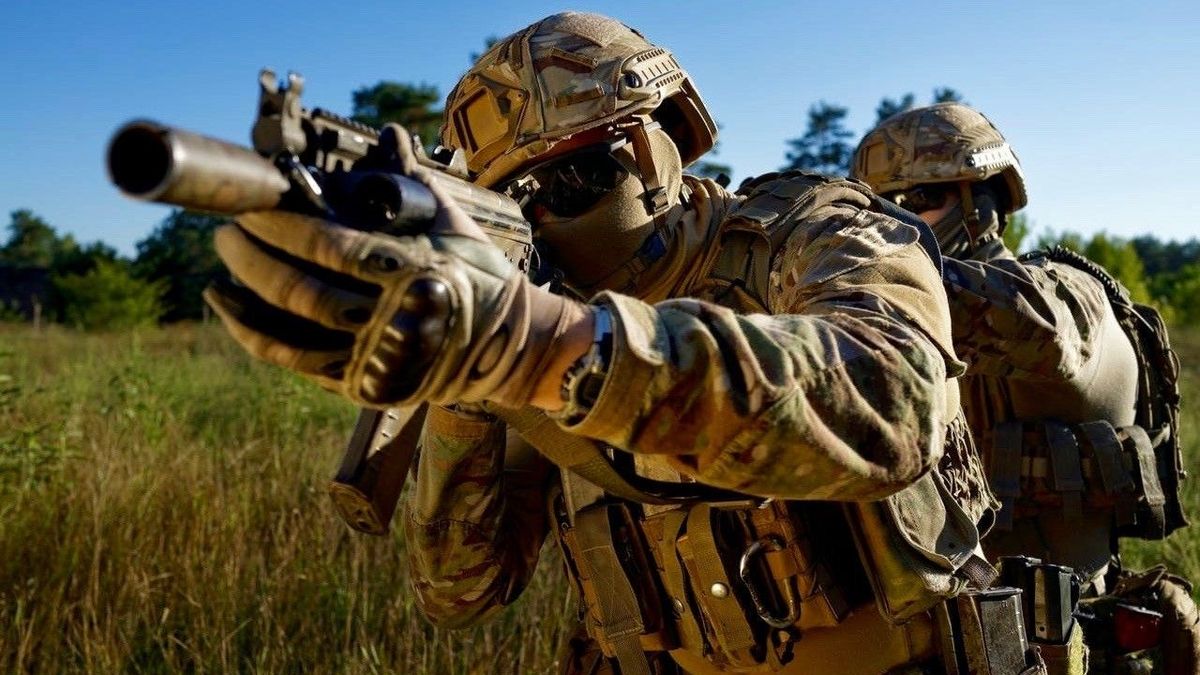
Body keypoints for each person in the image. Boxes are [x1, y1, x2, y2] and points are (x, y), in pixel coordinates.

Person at [205, 13, 1038, 674]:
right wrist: (469, 387)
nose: (540, 221)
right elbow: (462, 591)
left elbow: (893, 404)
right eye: (511, 204)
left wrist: (543, 346)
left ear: (650, 142)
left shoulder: (811, 230)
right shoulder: (536, 313)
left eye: (565, 182)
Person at [852, 102, 1196, 674]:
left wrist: (847, 268)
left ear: (981, 202)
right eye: (877, 208)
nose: (892, 224)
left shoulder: (1067, 292)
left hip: (1063, 644)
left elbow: (1033, 323)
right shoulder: (897, 325)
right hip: (939, 642)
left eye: (914, 202)